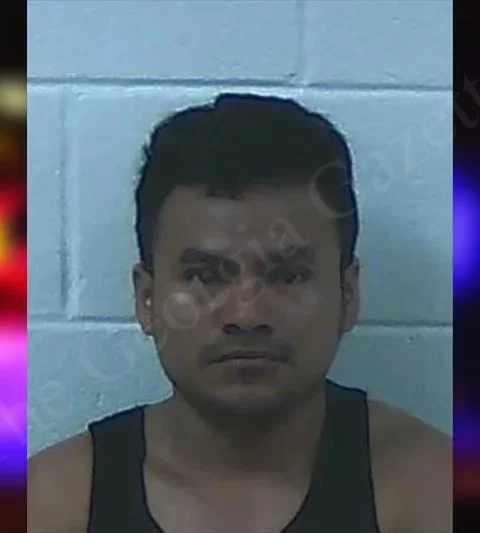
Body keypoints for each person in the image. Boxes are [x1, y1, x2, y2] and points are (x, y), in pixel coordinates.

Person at [28, 93, 452, 533]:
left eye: (288, 275)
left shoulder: (434, 492)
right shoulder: (52, 503)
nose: (247, 315)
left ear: (347, 294)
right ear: (147, 299)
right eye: (203, 277)